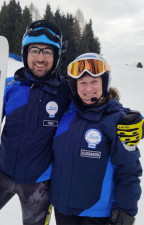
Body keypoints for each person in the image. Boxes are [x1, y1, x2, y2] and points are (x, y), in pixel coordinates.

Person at [0, 20, 71, 225]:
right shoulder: (10, 87)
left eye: (48, 52)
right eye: (35, 50)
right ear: (26, 53)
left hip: (39, 184)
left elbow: (96, 103)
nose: (41, 58)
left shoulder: (65, 92)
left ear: (56, 56)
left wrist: (125, 118)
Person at [50, 53, 142, 225]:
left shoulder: (117, 121)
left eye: (94, 81)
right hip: (63, 210)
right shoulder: (66, 114)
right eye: (82, 82)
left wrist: (124, 213)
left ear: (104, 83)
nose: (88, 88)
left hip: (97, 216)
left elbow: (129, 172)